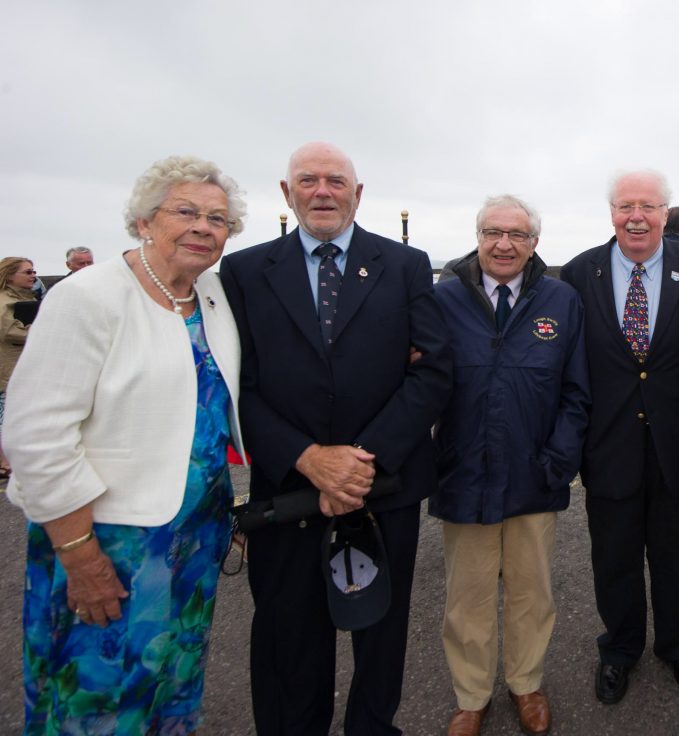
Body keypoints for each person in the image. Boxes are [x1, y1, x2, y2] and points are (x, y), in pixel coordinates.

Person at [4, 155, 247, 734]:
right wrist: (79, 552)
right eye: (184, 211)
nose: (203, 227)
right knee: (96, 700)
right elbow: (35, 437)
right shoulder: (88, 297)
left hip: (191, 541)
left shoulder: (210, 298)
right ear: (144, 220)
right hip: (110, 545)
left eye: (218, 219)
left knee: (173, 685)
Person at [219, 141, 452, 736]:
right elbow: (234, 381)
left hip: (384, 484)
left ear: (357, 193)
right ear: (286, 192)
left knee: (381, 634)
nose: (323, 191)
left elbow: (433, 370)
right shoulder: (244, 272)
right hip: (290, 488)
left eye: (336, 181)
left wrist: (358, 464)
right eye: (308, 180)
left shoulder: (404, 265)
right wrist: (308, 458)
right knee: (289, 635)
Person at [432, 195, 589, 736]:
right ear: (477, 237)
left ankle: (527, 684)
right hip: (464, 474)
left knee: (532, 592)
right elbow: (422, 384)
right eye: (493, 232)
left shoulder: (561, 301)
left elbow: (576, 391)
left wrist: (558, 462)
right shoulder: (444, 298)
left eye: (517, 235)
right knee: (467, 596)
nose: (504, 244)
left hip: (534, 474)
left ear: (534, 244)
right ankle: (471, 695)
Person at [560, 170, 679, 706]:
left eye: (648, 206)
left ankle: (676, 642)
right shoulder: (579, 273)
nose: (636, 216)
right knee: (614, 559)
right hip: (608, 448)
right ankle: (620, 649)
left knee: (674, 557)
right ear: (611, 213)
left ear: (664, 212)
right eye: (625, 205)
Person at [0, 257, 38, 479]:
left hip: (18, 365)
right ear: (11, 275)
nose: (33, 275)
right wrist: (38, 330)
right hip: (8, 366)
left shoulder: (24, 298)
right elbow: (9, 332)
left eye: (34, 272)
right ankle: (4, 462)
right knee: (7, 415)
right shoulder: (4, 301)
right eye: (27, 272)